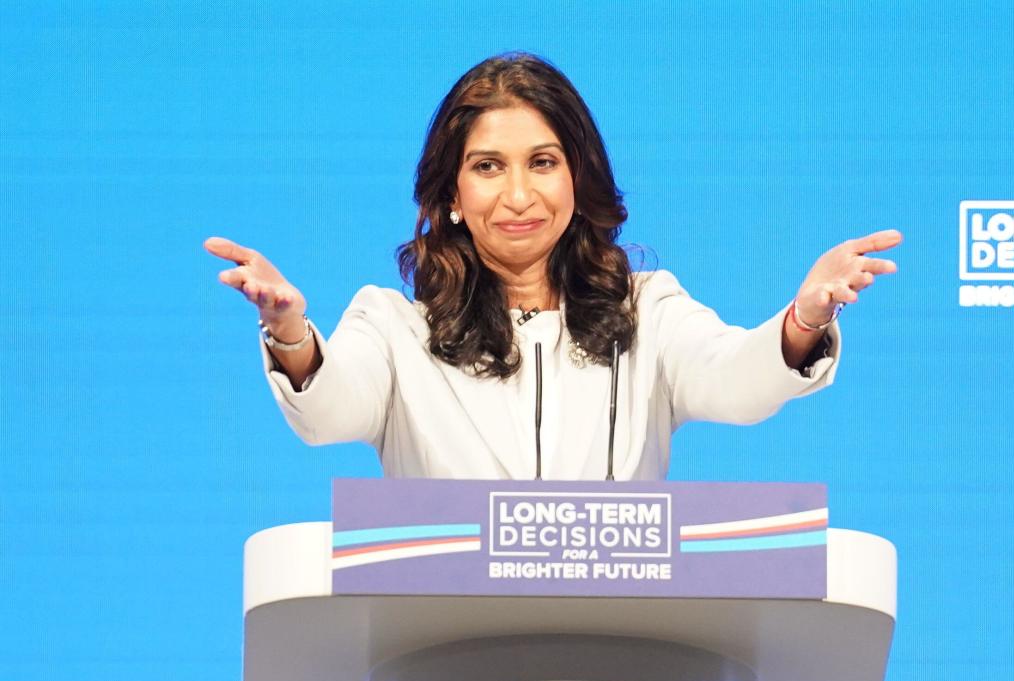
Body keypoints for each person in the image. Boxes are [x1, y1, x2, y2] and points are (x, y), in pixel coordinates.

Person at [204, 52, 901, 481]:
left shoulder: (646, 313)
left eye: (542, 163)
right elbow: (330, 409)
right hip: (449, 672)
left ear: (578, 178)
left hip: (619, 670)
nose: (517, 195)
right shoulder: (391, 329)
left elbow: (736, 380)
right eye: (486, 168)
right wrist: (293, 334)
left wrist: (803, 321)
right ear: (450, 194)